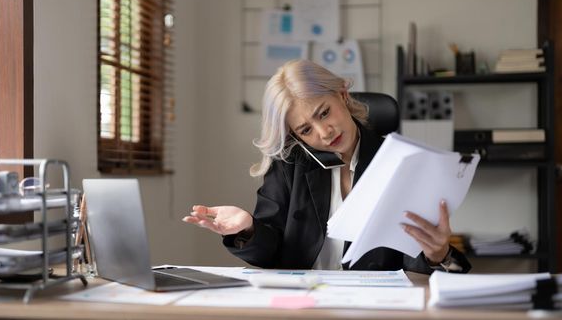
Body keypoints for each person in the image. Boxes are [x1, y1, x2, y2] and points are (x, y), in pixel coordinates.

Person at [182, 59, 470, 273]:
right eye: (305, 130)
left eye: (324, 113)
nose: (324, 133)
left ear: (343, 96)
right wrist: (247, 229)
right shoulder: (289, 164)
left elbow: (412, 267)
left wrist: (438, 254)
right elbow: (271, 254)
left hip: (376, 308)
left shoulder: (399, 163)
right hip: (304, 308)